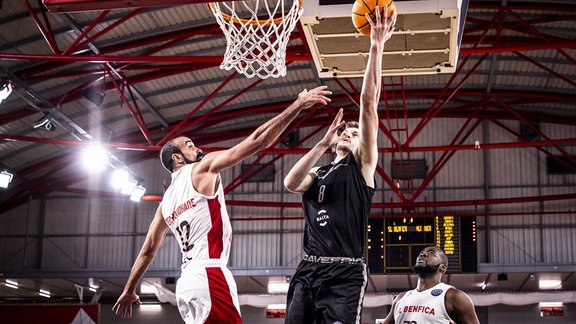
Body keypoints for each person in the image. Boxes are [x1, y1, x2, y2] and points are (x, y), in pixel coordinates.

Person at [112, 86, 332, 323]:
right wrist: (297, 106)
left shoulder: (165, 204)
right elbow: (257, 141)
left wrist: (129, 289)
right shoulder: (200, 168)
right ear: (177, 158)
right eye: (188, 145)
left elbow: (147, 250)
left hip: (186, 282)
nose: (196, 148)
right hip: (210, 273)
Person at [283, 7, 396, 324]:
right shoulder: (318, 173)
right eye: (345, 131)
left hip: (345, 271)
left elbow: (369, 104)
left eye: (355, 132)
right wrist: (320, 143)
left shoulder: (362, 166)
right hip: (308, 269)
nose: (349, 132)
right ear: (334, 141)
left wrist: (376, 45)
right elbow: (291, 184)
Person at [381, 246, 480, 324]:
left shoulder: (453, 296)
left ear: (442, 267)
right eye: (421, 253)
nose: (423, 255)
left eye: (431, 253)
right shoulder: (401, 298)